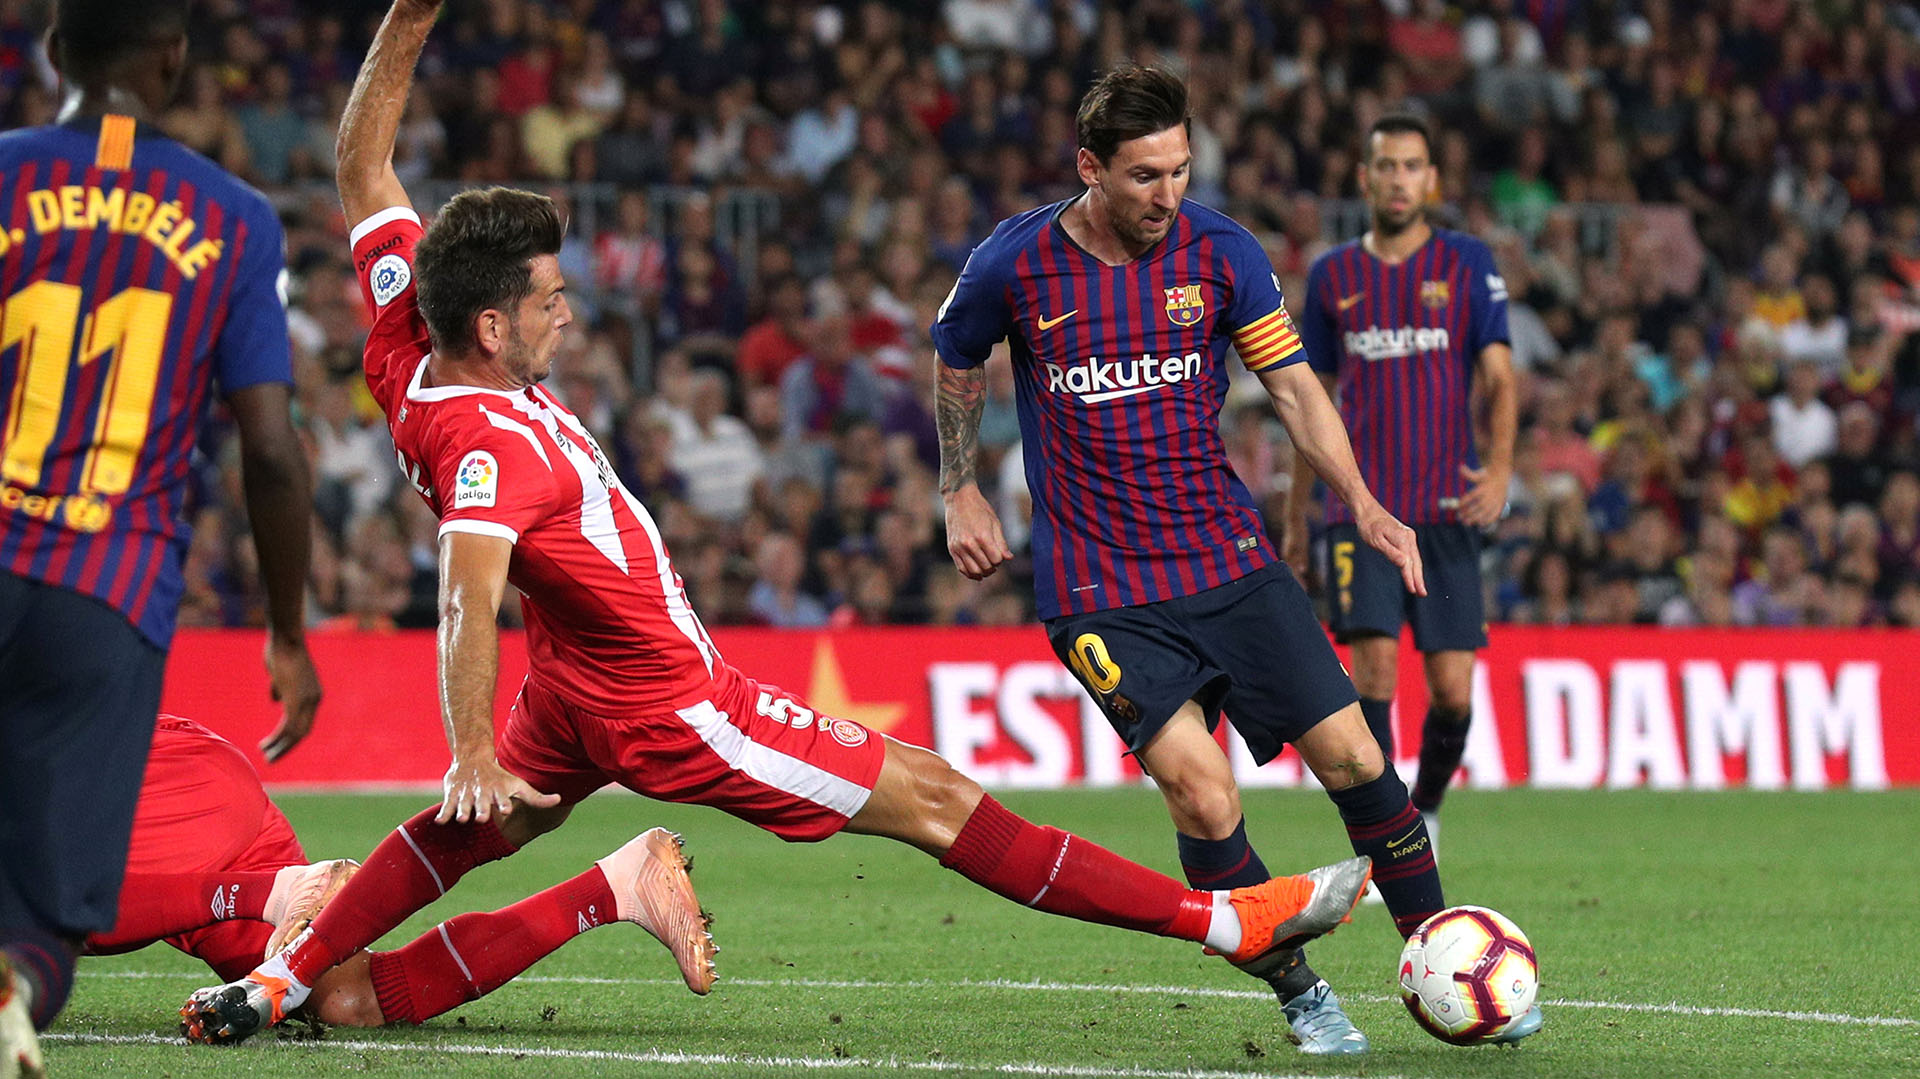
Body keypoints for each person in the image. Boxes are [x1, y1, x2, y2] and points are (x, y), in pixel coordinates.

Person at [181, 1, 1370, 1047]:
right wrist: (471, 745)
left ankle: (284, 977)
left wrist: (411, 12)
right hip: (667, 702)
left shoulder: (407, 339)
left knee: (456, 840)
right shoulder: (489, 445)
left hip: (574, 683)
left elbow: (362, 170)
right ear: (493, 329)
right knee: (936, 798)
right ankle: (1225, 916)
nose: (572, 314)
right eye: (551, 299)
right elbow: (465, 585)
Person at [931, 64, 1508, 1057]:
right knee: (1202, 793)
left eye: (1182, 170)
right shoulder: (1015, 261)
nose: (1168, 195)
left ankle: (1442, 956)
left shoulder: (1221, 251)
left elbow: (1292, 389)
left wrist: (1363, 502)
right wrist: (959, 484)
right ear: (1090, 167)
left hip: (1228, 559)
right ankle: (1299, 992)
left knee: (1359, 758)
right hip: (1103, 590)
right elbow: (955, 358)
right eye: (1146, 175)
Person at [0, 2, 320, 1070]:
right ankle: (17, 984)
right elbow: (271, 450)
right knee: (53, 899)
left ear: (53, 53)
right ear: (175, 60)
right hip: (108, 588)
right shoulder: (232, 216)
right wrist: (287, 629)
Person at [78, 715, 709, 1032]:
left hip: (146, 784)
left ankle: (274, 894)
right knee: (345, 999)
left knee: (45, 906)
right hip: (185, 785)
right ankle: (618, 887)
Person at [1287, 114, 1519, 861]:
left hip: (1447, 511)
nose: (1397, 179)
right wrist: (1298, 520)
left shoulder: (1465, 262)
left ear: (1431, 180)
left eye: (1411, 166)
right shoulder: (1332, 276)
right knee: (1375, 672)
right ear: (1365, 178)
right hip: (1361, 513)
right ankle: (1387, 832)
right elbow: (1307, 400)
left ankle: (1428, 805)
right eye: (1384, 166)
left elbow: (1499, 376)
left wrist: (1504, 467)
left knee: (1453, 693)